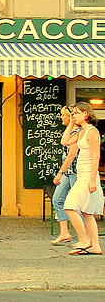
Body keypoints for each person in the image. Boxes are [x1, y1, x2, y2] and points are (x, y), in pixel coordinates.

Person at [63, 102, 104, 255]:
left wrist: (93, 179)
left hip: (88, 176)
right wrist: (72, 123)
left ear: (86, 114)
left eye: (77, 113)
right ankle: (95, 246)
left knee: (69, 205)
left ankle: (84, 240)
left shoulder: (92, 132)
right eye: (73, 113)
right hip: (82, 176)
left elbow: (96, 156)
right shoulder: (81, 132)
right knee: (87, 212)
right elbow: (65, 141)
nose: (74, 115)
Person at [50, 106, 79, 245]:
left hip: (74, 171)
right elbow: (63, 141)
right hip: (68, 172)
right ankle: (64, 232)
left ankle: (83, 235)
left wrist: (60, 173)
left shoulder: (78, 132)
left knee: (77, 204)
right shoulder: (70, 131)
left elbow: (71, 155)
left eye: (63, 115)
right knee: (57, 199)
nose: (61, 117)